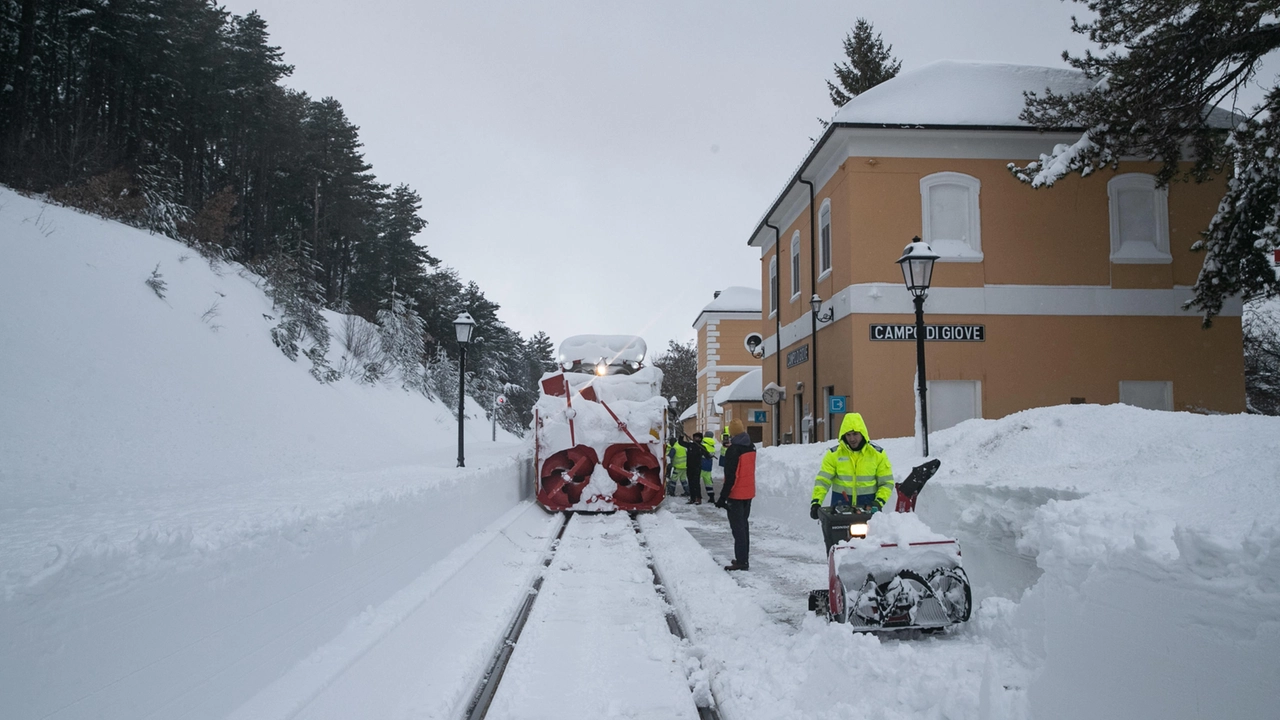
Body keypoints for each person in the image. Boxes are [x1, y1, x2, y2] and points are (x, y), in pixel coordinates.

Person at [809, 413, 893, 520]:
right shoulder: (834, 454)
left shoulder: (877, 455)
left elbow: (887, 483)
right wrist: (816, 502)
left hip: (868, 510)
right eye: (848, 435)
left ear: (862, 433)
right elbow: (822, 481)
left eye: (855, 434)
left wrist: (878, 502)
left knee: (871, 537)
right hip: (839, 511)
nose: (852, 439)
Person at [716, 419, 756, 571]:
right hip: (748, 492)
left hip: (736, 494)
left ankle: (742, 561)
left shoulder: (734, 450)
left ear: (732, 433)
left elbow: (732, 477)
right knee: (744, 526)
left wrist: (722, 497)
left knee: (737, 529)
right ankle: (743, 558)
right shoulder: (751, 446)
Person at [678, 432, 709, 504]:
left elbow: (707, 456)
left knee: (696, 483)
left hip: (697, 467)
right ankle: (692, 498)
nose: (696, 438)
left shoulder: (701, 447)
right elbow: (681, 443)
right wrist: (681, 436)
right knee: (691, 483)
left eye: (698, 437)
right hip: (689, 467)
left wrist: (709, 455)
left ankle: (698, 498)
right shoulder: (690, 445)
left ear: (700, 439)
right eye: (695, 437)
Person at [700, 433, 717, 502]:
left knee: (695, 481)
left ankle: (696, 496)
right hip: (708, 467)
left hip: (700, 465)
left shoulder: (702, 445)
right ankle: (711, 497)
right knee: (708, 482)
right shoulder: (712, 446)